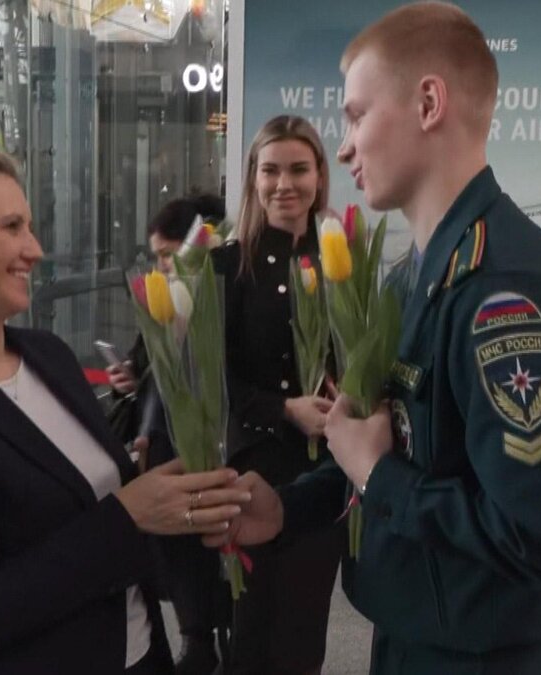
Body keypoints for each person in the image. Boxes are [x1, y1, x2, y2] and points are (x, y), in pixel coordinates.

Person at [207, 4, 541, 673]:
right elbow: (409, 446)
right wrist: (291, 505)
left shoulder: (506, 291)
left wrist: (380, 476)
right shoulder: (414, 277)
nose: (343, 148)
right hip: (415, 636)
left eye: (358, 115)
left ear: (429, 102)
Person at [0, 146, 251, 674]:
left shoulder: (46, 356)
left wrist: (171, 501)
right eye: (12, 227)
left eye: (30, 226)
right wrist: (129, 515)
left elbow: (86, 512)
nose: (34, 249)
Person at [212, 114, 343, 675]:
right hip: (254, 470)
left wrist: (348, 397)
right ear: (253, 178)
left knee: (302, 632)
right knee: (253, 629)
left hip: (325, 475)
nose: (284, 184)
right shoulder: (225, 268)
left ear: (319, 177)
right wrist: (285, 408)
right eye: (271, 170)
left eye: (298, 169)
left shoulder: (344, 264)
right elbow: (213, 382)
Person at [106, 193, 232, 675]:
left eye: (167, 254)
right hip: (160, 449)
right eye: (156, 256)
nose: (160, 265)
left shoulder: (219, 298)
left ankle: (205, 638)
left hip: (201, 447)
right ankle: (197, 637)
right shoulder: (162, 301)